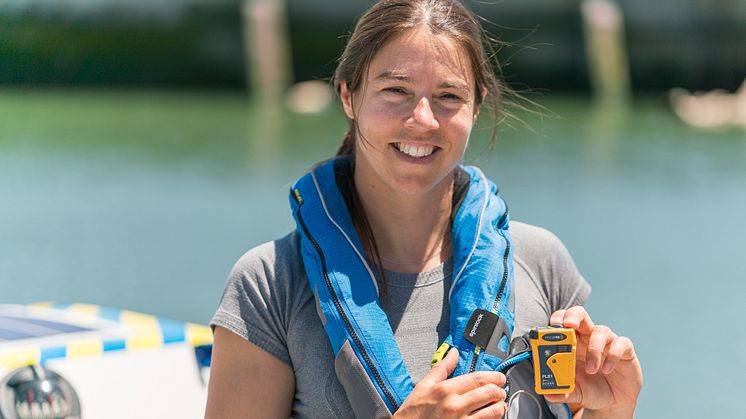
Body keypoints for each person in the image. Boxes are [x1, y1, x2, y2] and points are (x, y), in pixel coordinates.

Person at [205, 1, 643, 418]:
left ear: (476, 106)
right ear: (348, 96)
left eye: (449, 96)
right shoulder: (269, 283)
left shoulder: (540, 262)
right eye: (395, 90)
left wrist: (612, 408)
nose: (423, 119)